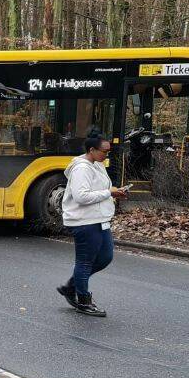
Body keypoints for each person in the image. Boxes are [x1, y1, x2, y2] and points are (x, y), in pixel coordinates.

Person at [58, 132, 128, 317]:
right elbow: (81, 196)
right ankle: (83, 300)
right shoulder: (82, 168)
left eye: (108, 151)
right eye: (104, 151)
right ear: (92, 150)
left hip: (100, 219)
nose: (107, 154)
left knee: (105, 257)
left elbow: (101, 189)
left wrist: (114, 191)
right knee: (85, 262)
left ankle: (71, 287)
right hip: (84, 221)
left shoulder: (96, 165)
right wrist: (109, 193)